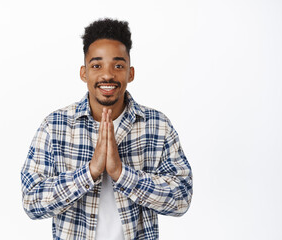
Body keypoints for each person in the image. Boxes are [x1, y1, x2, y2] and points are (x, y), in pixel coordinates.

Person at [21, 18, 193, 240]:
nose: (108, 75)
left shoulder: (158, 126)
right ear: (84, 73)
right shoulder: (55, 126)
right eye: (97, 65)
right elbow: (31, 201)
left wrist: (122, 174)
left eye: (118, 65)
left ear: (130, 73)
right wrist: (90, 172)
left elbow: (181, 198)